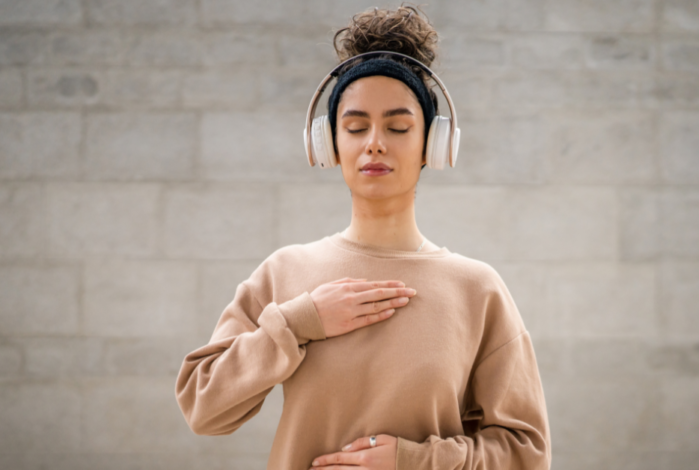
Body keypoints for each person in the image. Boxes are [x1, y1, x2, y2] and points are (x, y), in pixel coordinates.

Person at [175, 5, 551, 469]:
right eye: (356, 127)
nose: (375, 142)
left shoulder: (478, 290)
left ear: (433, 145)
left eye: (397, 127)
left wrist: (415, 462)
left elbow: (528, 454)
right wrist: (298, 323)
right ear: (328, 143)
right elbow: (202, 407)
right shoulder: (285, 273)